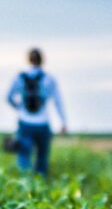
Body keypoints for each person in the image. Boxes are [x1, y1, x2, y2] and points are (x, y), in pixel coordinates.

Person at [6, 48, 67, 177]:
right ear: (42, 60)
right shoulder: (49, 79)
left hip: (25, 122)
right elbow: (58, 102)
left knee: (24, 155)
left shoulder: (19, 78)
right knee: (42, 157)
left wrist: (19, 107)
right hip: (43, 123)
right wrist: (63, 122)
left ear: (28, 59)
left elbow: (9, 97)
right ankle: (40, 185)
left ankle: (25, 186)